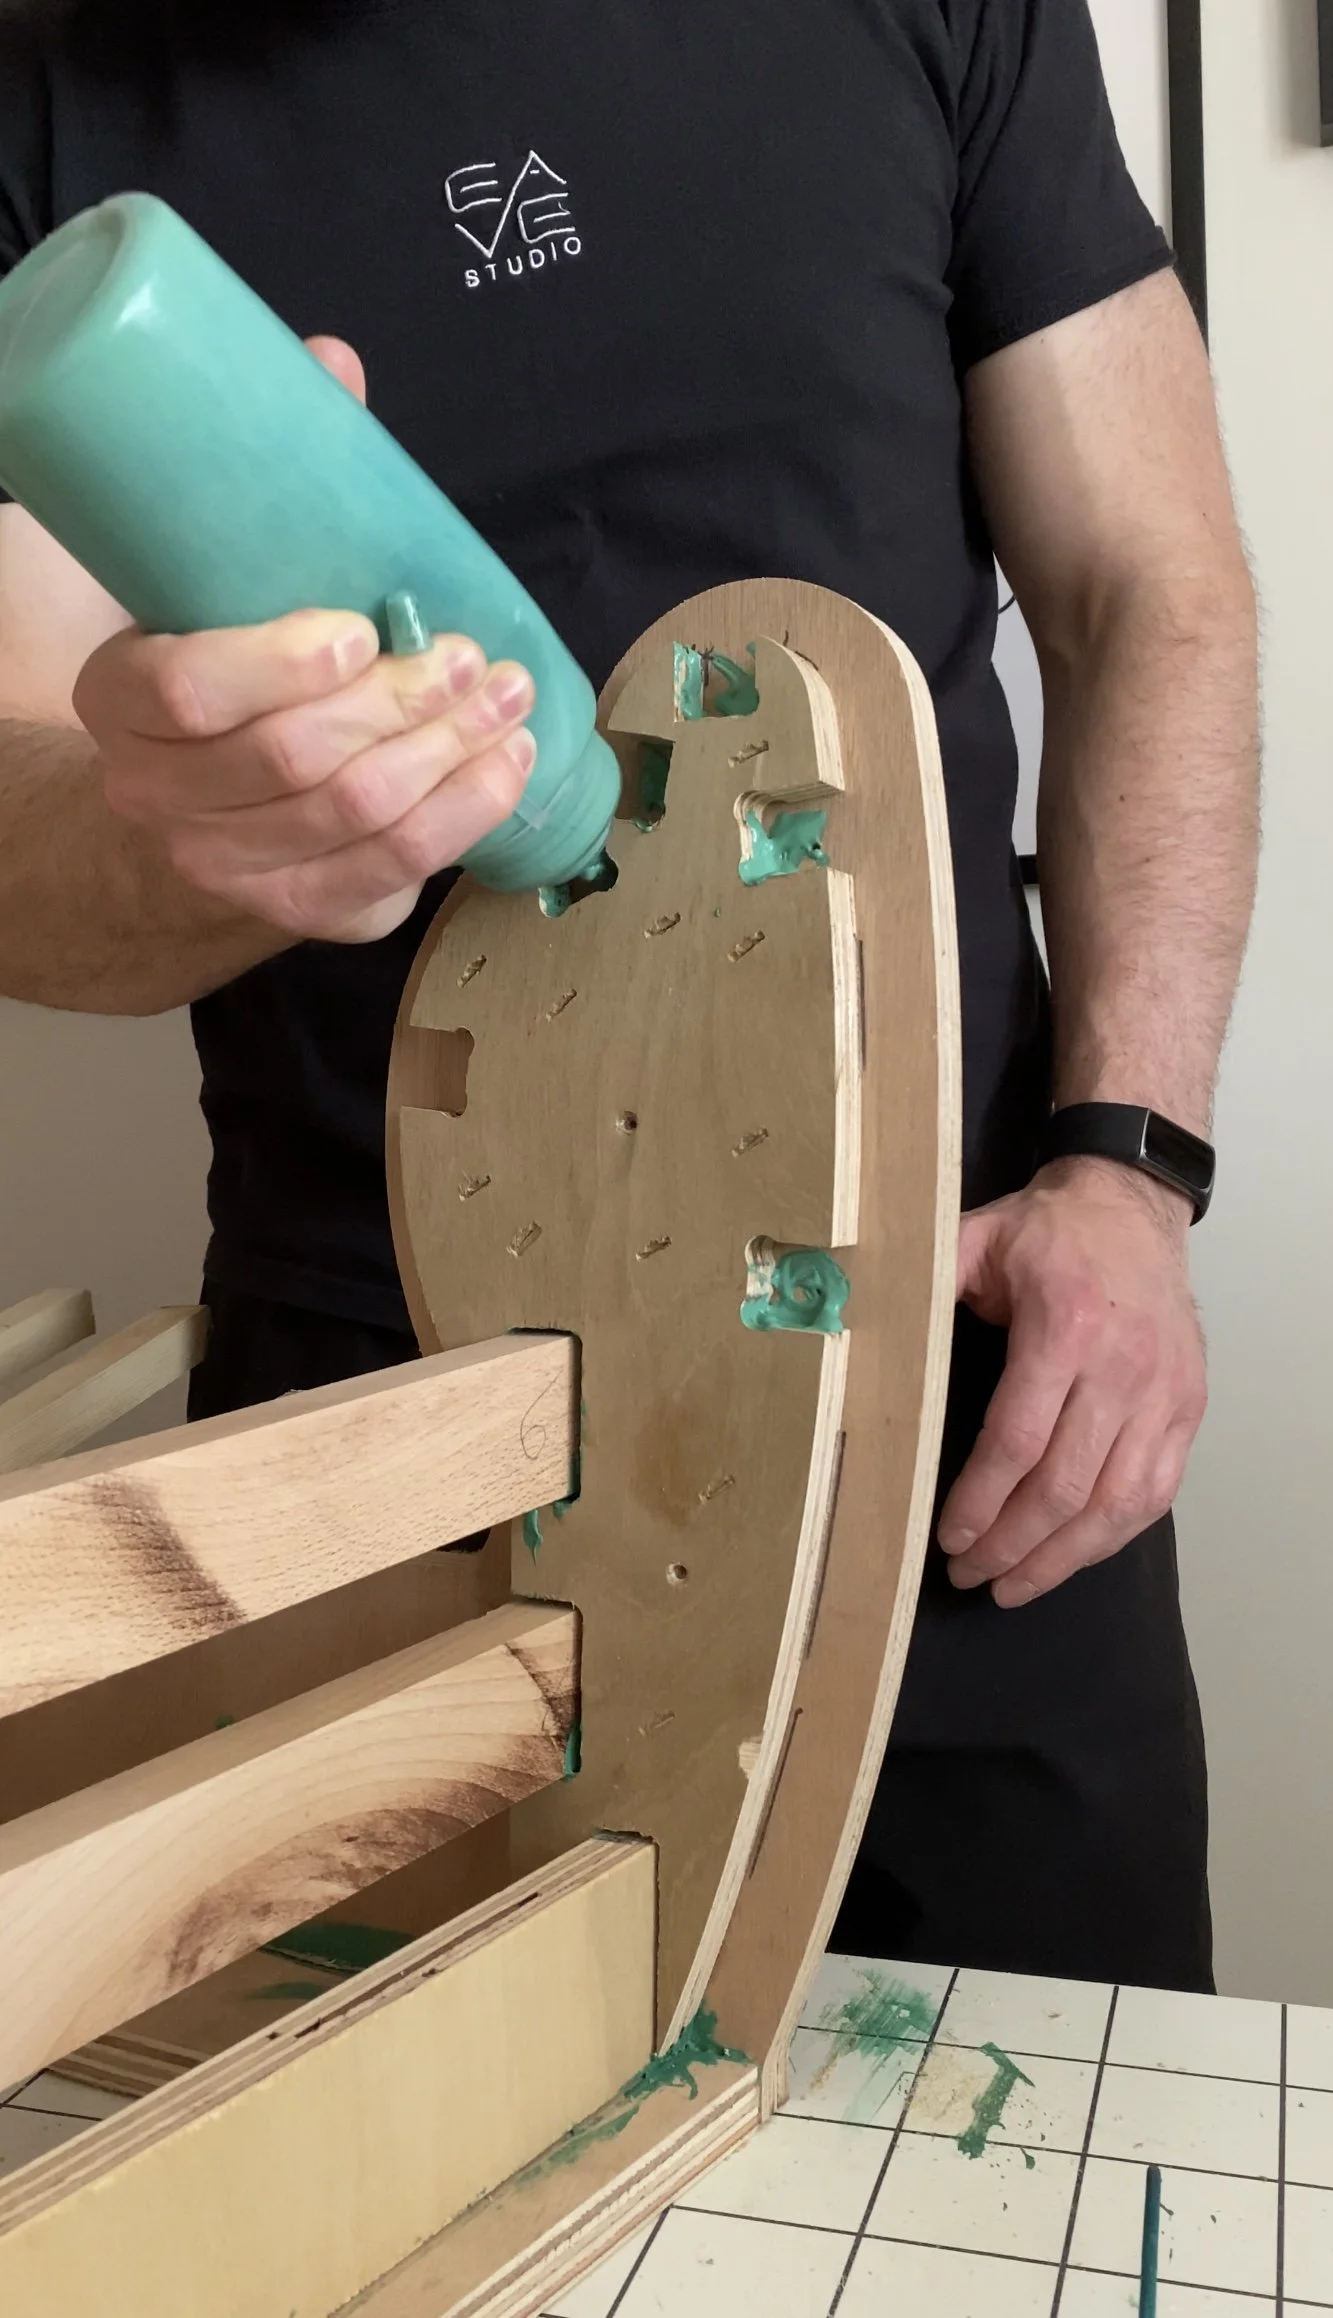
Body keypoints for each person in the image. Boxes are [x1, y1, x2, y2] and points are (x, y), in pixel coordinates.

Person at [0, 0, 1258, 1991]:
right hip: (393, 1429)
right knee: (433, 2161)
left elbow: (1148, 587)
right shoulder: (43, 96)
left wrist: (1129, 1170)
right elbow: (21, 825)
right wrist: (211, 836)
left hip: (962, 1369)